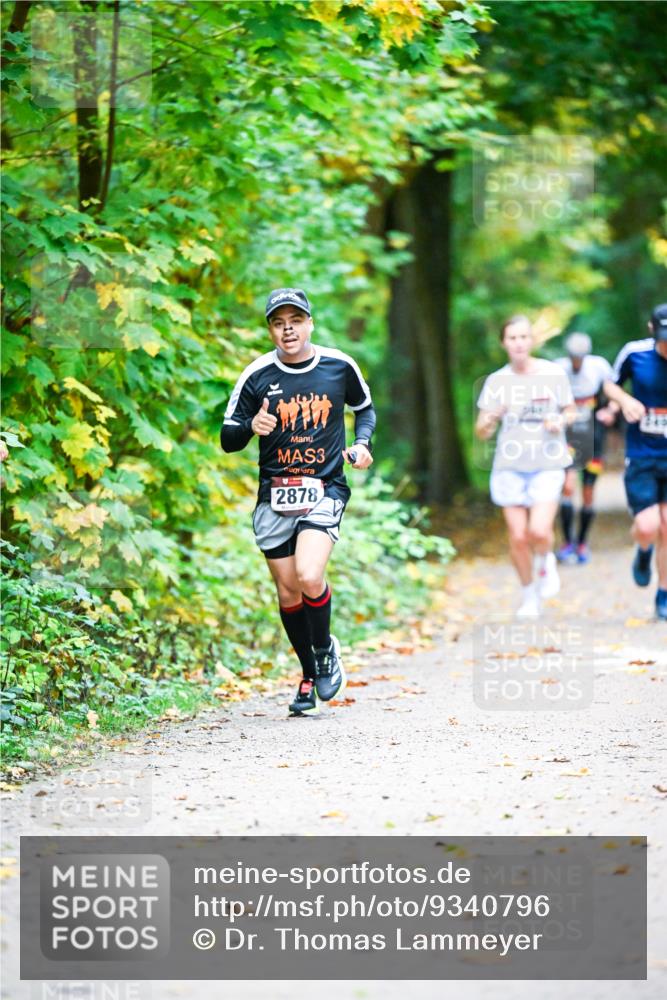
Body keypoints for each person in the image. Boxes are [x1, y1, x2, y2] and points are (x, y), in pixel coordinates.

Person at [220, 287, 375, 714]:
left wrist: (361, 444)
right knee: (289, 593)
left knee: (309, 575)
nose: (288, 329)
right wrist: (252, 425)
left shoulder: (337, 365)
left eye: (295, 320)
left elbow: (365, 408)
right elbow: (228, 439)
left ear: (309, 323)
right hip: (274, 496)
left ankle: (325, 650)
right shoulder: (256, 376)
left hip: (324, 488)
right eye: (278, 322)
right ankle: (309, 674)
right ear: (271, 329)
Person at [476, 314, 576, 618]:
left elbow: (571, 410)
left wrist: (559, 419)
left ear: (532, 341)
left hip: (547, 463)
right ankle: (529, 595)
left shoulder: (552, 373)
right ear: (504, 343)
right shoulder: (496, 381)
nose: (518, 343)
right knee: (518, 537)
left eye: (523, 337)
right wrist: (492, 416)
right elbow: (481, 431)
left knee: (539, 530)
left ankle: (546, 560)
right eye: (512, 338)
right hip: (509, 466)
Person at [603, 303, 667, 620]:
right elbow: (608, 384)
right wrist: (625, 400)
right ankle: (643, 552)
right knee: (648, 526)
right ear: (651, 329)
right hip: (642, 455)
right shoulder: (635, 353)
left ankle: (663, 594)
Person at [554, 332, 619, 564]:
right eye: (573, 357)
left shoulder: (599, 366)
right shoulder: (558, 368)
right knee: (568, 486)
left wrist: (610, 410)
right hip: (568, 436)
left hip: (593, 435)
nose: (576, 362)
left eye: (579, 358)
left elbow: (614, 392)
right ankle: (567, 543)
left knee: (589, 492)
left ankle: (582, 543)